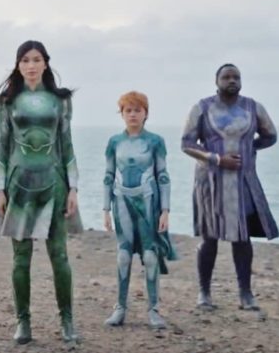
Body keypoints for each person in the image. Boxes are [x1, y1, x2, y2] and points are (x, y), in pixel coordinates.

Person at [0, 40, 82, 345]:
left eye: (36, 59)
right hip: (19, 184)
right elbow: (3, 146)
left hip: (54, 182)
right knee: (21, 258)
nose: (31, 65)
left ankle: (67, 321)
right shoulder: (7, 101)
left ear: (45, 63)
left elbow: (66, 144)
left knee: (59, 255)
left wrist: (74, 188)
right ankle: (23, 322)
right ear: (18, 65)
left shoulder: (60, 100)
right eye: (25, 60)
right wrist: (0, 190)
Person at [181, 63, 277, 311]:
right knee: (209, 237)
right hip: (210, 182)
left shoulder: (253, 108)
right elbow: (187, 143)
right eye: (226, 77)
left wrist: (249, 149)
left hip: (243, 181)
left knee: (242, 238)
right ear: (217, 81)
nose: (232, 80)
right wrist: (217, 159)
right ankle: (204, 293)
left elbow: (270, 135)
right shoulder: (202, 108)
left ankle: (246, 294)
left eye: (236, 77)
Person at [102, 91, 177, 329]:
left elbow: (163, 175)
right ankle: (120, 308)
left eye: (137, 110)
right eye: (128, 110)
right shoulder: (115, 142)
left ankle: (153, 309)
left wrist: (165, 210)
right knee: (123, 256)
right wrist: (105, 209)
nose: (133, 114)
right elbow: (108, 175)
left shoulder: (155, 141)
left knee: (150, 256)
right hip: (122, 201)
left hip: (148, 202)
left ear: (146, 113)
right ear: (122, 114)